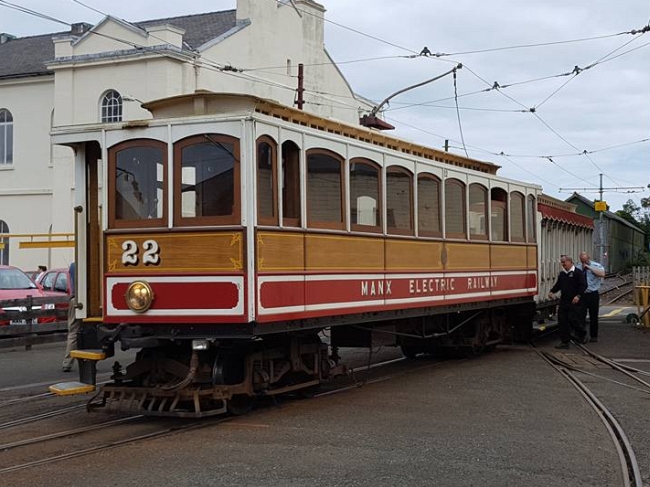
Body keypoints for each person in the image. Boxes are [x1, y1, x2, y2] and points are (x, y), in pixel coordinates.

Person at [548, 255, 588, 349]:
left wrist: (578, 296)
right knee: (562, 321)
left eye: (564, 262)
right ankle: (565, 341)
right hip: (564, 301)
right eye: (562, 263)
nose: (563, 264)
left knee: (573, 319)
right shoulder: (562, 274)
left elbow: (583, 285)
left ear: (570, 262)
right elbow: (558, 285)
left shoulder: (578, 273)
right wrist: (552, 291)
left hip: (574, 301)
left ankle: (582, 334)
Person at [577, 252, 605, 343]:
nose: (584, 263)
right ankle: (582, 335)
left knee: (594, 316)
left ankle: (593, 335)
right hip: (583, 294)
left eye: (585, 260)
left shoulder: (596, 265)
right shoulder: (578, 267)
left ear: (588, 258)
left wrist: (589, 268)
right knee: (581, 316)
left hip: (593, 294)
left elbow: (602, 274)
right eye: (582, 261)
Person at [62, 262, 79, 372]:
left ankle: (67, 362)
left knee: (73, 332)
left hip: (75, 298)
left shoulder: (73, 265)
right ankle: (87, 361)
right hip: (86, 299)